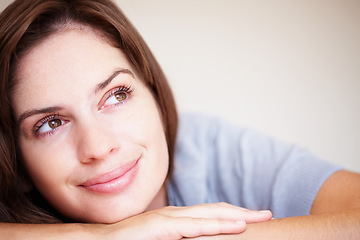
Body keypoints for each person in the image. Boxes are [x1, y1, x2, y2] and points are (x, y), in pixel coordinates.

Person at [0, 0, 359, 239]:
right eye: (50, 123)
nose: (97, 146)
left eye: (116, 96)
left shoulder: (208, 149)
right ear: (19, 165)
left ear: (153, 92)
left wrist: (178, 233)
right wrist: (94, 237)